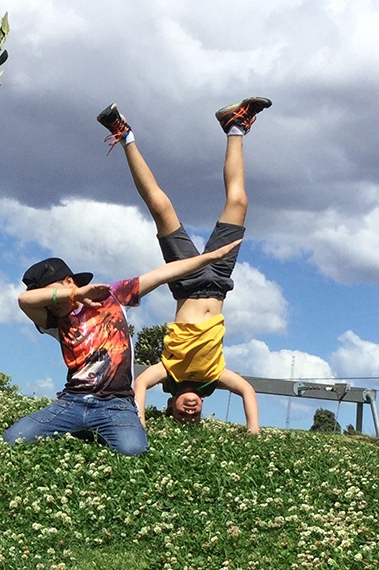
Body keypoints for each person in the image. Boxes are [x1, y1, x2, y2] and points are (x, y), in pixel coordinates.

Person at [97, 98, 268, 435]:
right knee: (239, 202)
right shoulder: (215, 376)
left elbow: (141, 383)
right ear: (204, 404)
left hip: (186, 281)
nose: (190, 411)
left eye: (182, 415)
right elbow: (247, 390)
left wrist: (140, 422)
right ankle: (235, 125)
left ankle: (123, 133)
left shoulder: (170, 372)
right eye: (196, 415)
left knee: (160, 207)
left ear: (171, 404)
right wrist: (253, 430)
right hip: (219, 280)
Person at [4, 239, 241, 456]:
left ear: (68, 281)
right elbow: (24, 301)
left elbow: (162, 274)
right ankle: (82, 425)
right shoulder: (54, 321)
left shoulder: (112, 296)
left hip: (115, 403)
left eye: (54, 294)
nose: (51, 303)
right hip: (72, 401)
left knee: (133, 449)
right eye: (48, 299)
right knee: (14, 438)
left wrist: (209, 258)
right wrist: (74, 293)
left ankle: (90, 427)